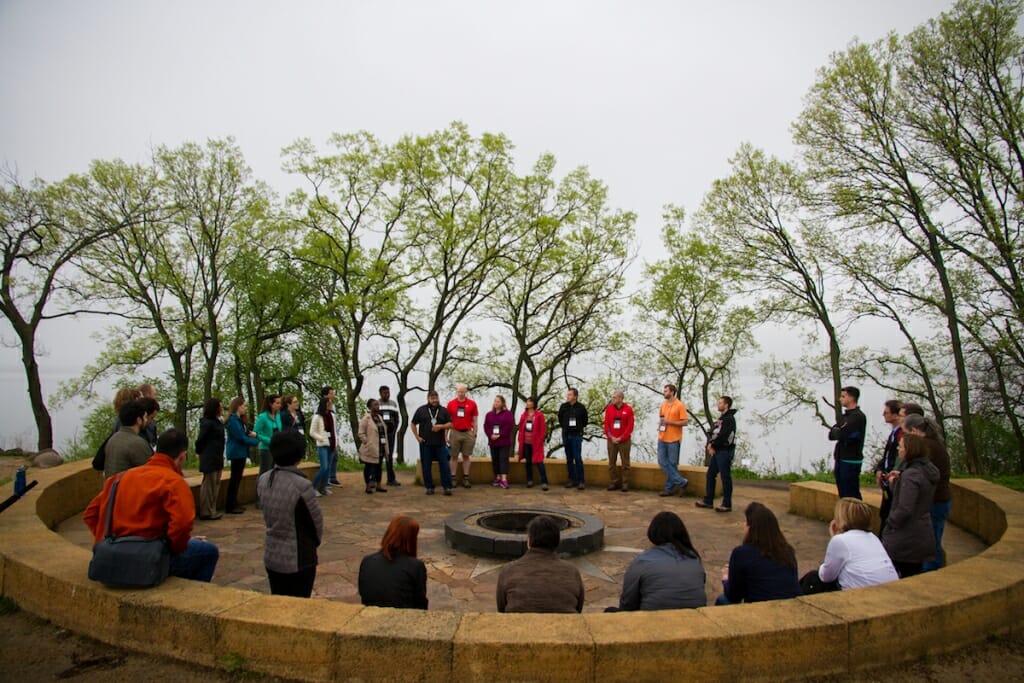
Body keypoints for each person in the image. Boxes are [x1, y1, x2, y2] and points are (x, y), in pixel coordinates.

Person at [83, 429, 219, 583]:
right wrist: (174, 547)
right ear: (182, 456)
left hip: (112, 556)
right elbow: (182, 524)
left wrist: (108, 542)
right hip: (149, 557)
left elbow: (90, 514)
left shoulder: (119, 479)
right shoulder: (172, 482)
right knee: (208, 552)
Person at [258, 430, 323, 598]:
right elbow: (316, 524)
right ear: (299, 455)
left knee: (278, 603)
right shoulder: (302, 486)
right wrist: (313, 545)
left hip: (272, 555)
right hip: (298, 559)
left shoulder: (264, 479)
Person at [799, 498, 898, 594]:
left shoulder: (840, 540)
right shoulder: (873, 537)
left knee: (811, 579)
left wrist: (834, 537)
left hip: (864, 594)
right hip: (890, 590)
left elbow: (826, 576)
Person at [614, 511, 706, 611]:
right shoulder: (694, 558)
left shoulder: (642, 561)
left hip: (653, 621)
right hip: (694, 619)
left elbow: (627, 603)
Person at [496, 515, 584, 613]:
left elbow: (501, 611)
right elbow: (578, 608)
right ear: (557, 542)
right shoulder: (572, 572)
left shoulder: (508, 571)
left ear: (529, 541)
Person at [716, 502, 801, 604]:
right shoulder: (788, 551)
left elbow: (733, 596)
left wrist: (726, 579)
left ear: (750, 527)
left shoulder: (741, 553)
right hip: (791, 607)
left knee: (722, 600)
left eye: (746, 522)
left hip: (761, 612)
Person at [882, 432, 939, 578]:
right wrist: (897, 482)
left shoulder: (911, 475)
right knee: (913, 575)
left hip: (906, 538)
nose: (898, 449)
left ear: (909, 450)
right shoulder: (927, 470)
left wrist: (890, 522)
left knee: (897, 576)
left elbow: (905, 508)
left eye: (900, 446)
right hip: (921, 532)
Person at [899, 415, 951, 572]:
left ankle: (931, 574)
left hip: (934, 502)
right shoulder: (934, 444)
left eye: (906, 433)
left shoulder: (926, 448)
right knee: (932, 540)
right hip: (940, 500)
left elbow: (920, 477)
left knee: (930, 543)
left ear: (914, 431)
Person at [358, 515, 428, 609]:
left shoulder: (367, 561)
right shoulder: (415, 566)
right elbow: (420, 604)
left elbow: (364, 594)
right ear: (411, 538)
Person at [696, 396, 737, 512]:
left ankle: (727, 504)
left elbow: (724, 436)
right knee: (710, 474)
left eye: (720, 403)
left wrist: (713, 445)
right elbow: (715, 433)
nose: (718, 405)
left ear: (726, 405)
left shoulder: (729, 419)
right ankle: (708, 500)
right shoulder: (722, 418)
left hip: (724, 451)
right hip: (718, 451)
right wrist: (711, 443)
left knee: (725, 477)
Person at [411, 390, 454, 495]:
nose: (435, 400)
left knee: (444, 466)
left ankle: (447, 487)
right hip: (426, 444)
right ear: (428, 399)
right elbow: (413, 424)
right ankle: (429, 487)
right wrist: (417, 437)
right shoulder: (421, 410)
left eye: (436, 398)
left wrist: (441, 426)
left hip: (440, 444)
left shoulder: (443, 410)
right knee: (426, 466)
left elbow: (450, 424)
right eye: (432, 398)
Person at [828, 386, 866, 500]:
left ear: (851, 398)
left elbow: (842, 434)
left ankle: (856, 516)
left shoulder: (858, 417)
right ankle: (844, 516)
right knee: (843, 493)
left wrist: (839, 432)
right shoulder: (845, 417)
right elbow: (832, 434)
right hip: (840, 458)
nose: (840, 399)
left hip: (850, 460)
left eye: (843, 396)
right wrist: (838, 431)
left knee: (851, 493)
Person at [871, 400, 904, 533]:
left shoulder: (901, 434)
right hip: (886, 479)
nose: (883, 415)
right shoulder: (894, 432)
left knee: (888, 513)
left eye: (886, 412)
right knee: (884, 512)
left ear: (896, 415)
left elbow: (898, 457)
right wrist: (879, 470)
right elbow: (886, 455)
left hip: (893, 480)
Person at [103, 400, 156, 479]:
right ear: (138, 420)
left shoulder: (112, 439)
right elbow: (152, 472)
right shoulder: (137, 443)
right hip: (127, 489)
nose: (146, 420)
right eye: (145, 417)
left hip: (112, 489)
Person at [224, 397, 258, 514]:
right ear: (238, 406)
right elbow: (241, 437)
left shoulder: (239, 420)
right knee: (235, 478)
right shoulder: (233, 420)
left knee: (237, 478)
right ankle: (230, 505)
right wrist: (257, 441)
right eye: (243, 406)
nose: (245, 408)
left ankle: (234, 502)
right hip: (236, 452)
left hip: (241, 452)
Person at [194, 398, 226, 520]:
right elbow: (200, 440)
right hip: (210, 456)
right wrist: (199, 451)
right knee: (209, 484)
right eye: (220, 407)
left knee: (215, 484)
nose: (222, 409)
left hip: (217, 456)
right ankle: (206, 511)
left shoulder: (217, 422)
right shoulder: (207, 423)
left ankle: (212, 508)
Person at [657, 383, 689, 497]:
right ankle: (681, 482)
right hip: (662, 437)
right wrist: (660, 426)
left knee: (672, 464)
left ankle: (669, 489)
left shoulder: (680, 405)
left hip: (674, 439)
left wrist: (670, 422)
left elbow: (685, 422)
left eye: (666, 391)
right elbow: (662, 419)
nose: (664, 392)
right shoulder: (663, 405)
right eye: (664, 390)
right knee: (662, 462)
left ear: (672, 392)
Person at [447, 384, 479, 488]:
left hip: (468, 432)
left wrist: (475, 433)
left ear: (466, 392)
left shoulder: (472, 404)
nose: (461, 393)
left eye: (463, 391)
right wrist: (445, 435)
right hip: (455, 431)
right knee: (454, 456)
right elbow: (447, 421)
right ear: (457, 392)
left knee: (466, 456)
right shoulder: (451, 404)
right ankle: (453, 478)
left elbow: (475, 419)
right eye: (459, 391)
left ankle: (466, 478)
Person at [557, 387, 588, 490]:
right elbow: (560, 419)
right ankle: (571, 479)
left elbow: (585, 421)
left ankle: (581, 481)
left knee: (577, 458)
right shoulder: (563, 407)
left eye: (570, 395)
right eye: (568, 394)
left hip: (576, 435)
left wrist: (577, 428)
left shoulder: (581, 408)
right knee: (569, 458)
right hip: (566, 434)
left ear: (575, 396)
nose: (568, 396)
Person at [603, 390, 634, 492]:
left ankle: (625, 483)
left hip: (624, 441)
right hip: (612, 440)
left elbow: (630, 427)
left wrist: (621, 438)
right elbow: (606, 424)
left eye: (615, 397)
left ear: (620, 398)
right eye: (613, 397)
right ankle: (614, 482)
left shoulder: (628, 409)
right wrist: (611, 437)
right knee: (612, 463)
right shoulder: (609, 409)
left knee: (625, 463)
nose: (613, 399)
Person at [517, 396, 548, 490]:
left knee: (539, 462)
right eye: (527, 401)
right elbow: (520, 427)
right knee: (528, 462)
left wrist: (540, 440)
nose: (527, 403)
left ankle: (544, 482)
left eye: (529, 401)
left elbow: (543, 429)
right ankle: (529, 480)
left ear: (533, 403)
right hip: (526, 442)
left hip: (536, 443)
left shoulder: (539, 415)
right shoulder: (524, 415)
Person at [484, 395, 515, 489]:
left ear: (502, 403)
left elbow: (509, 426)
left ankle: (504, 479)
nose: (496, 403)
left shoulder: (507, 414)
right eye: (495, 401)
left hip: (504, 441)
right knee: (495, 459)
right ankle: (497, 477)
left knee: (503, 459)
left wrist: (500, 434)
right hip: (493, 442)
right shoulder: (489, 414)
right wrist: (490, 435)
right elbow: (486, 426)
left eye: (498, 401)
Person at [357, 398, 387, 494]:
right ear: (370, 407)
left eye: (378, 405)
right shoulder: (366, 419)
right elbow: (361, 433)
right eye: (375, 405)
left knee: (379, 466)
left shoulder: (380, 417)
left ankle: (379, 485)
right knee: (369, 467)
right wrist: (367, 442)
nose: (377, 406)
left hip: (380, 446)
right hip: (371, 447)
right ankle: (368, 486)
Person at [309, 396, 334, 497]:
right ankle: (313, 487)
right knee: (324, 467)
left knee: (328, 468)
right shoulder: (317, 417)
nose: (331, 405)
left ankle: (324, 487)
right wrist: (321, 438)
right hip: (322, 444)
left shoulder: (330, 416)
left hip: (330, 444)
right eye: (329, 403)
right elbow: (312, 432)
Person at [254, 394, 283, 479]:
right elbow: (256, 433)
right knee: (264, 473)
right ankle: (258, 491)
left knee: (275, 473)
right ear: (271, 404)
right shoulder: (262, 417)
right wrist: (269, 440)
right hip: (266, 449)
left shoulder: (278, 416)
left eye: (280, 403)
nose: (279, 405)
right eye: (277, 403)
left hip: (277, 449)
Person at [378, 385, 402, 487]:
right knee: (379, 456)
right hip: (380, 435)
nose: (387, 394)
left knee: (389, 456)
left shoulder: (393, 404)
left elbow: (397, 419)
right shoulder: (377, 404)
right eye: (385, 393)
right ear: (380, 393)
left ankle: (391, 479)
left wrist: (394, 429)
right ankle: (375, 478)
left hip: (391, 435)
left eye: (388, 392)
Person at [321, 387, 342, 488]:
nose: (333, 395)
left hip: (334, 436)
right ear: (326, 395)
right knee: (328, 460)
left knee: (335, 457)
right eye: (331, 393)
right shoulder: (319, 407)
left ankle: (332, 477)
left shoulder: (333, 407)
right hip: (326, 438)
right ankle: (326, 480)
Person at [137, 383, 159, 451]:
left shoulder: (152, 423)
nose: (156, 397)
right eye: (154, 394)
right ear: (147, 395)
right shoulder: (129, 420)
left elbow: (153, 442)